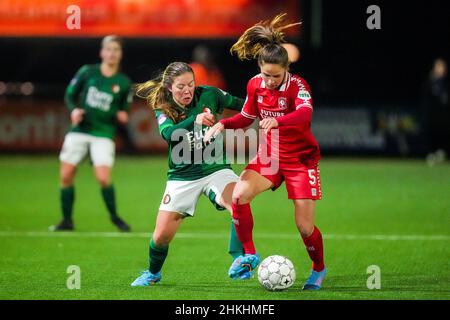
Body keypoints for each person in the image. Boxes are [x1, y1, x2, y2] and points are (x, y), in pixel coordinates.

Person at [204, 13, 327, 290]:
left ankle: (318, 268)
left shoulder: (298, 86)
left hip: (300, 160)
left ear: (286, 70)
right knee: (238, 194)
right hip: (269, 157)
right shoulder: (254, 84)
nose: (269, 81)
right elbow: (246, 118)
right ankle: (249, 253)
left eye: (275, 76)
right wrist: (223, 124)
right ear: (259, 68)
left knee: (305, 227)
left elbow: (305, 115)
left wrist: (278, 120)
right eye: (265, 75)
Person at [130, 62, 249, 286]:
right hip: (182, 176)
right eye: (181, 87)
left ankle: (240, 258)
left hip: (216, 168)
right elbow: (169, 134)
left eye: (191, 85)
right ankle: (153, 273)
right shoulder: (163, 106)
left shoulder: (210, 95)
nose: (187, 91)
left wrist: (271, 104)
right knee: (161, 236)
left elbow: (245, 106)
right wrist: (193, 121)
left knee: (238, 199)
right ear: (168, 88)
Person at [51, 35, 132, 232]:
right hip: (80, 130)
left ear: (121, 54)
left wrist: (123, 115)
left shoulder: (123, 82)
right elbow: (70, 94)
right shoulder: (88, 72)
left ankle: (114, 217)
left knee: (103, 178)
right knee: (66, 175)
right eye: (109, 49)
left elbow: (125, 110)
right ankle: (67, 220)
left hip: (103, 133)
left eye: (116, 50)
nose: (112, 53)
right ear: (102, 52)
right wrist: (74, 110)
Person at [421, 57, 449, 165]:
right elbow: (426, 96)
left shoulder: (445, 82)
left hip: (442, 116)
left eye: (443, 67)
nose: (442, 69)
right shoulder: (430, 81)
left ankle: (440, 153)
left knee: (442, 133)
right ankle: (430, 154)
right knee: (430, 133)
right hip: (431, 115)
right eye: (439, 66)